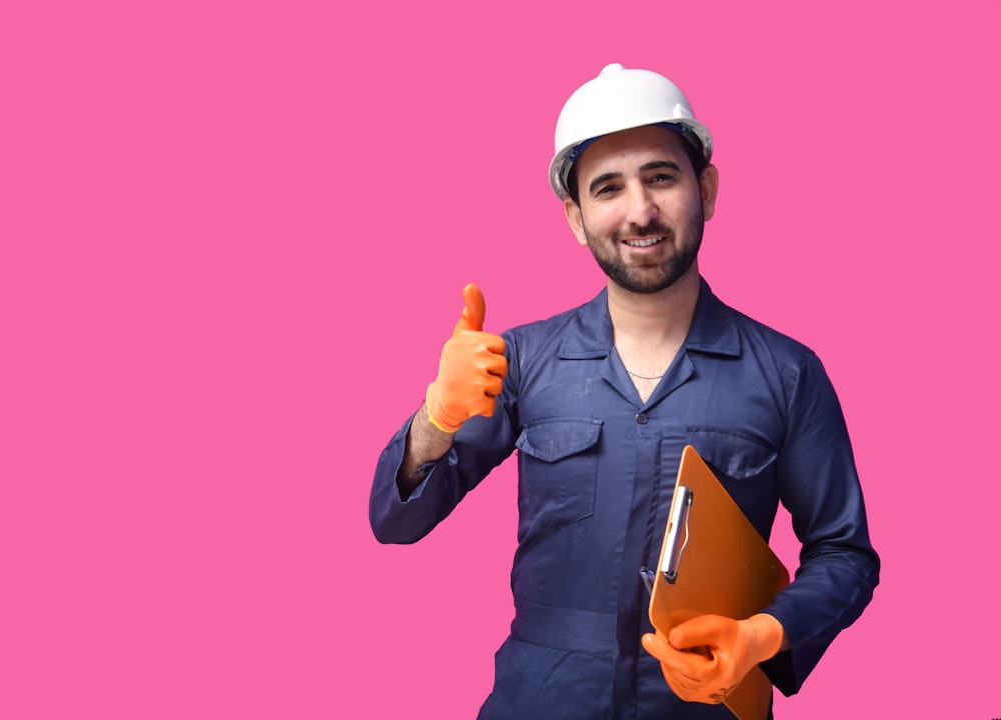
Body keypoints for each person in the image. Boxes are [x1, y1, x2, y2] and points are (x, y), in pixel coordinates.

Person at [369, 62, 880, 719]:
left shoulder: (787, 373)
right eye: (607, 188)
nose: (640, 210)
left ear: (708, 189)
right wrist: (436, 417)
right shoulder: (519, 362)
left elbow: (845, 555)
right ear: (577, 218)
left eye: (661, 177)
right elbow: (395, 521)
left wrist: (761, 636)